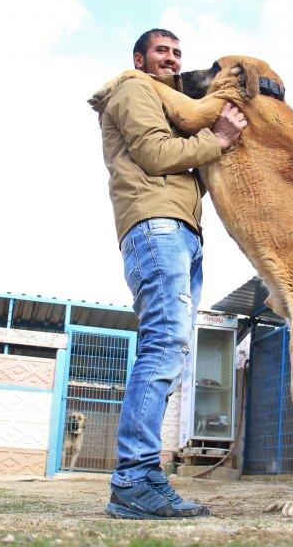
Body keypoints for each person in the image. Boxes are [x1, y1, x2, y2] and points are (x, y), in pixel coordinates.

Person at [92, 29, 246, 520]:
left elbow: (184, 163)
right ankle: (135, 479)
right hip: (156, 227)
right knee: (163, 346)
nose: (172, 59)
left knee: (171, 349)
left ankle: (144, 478)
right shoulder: (133, 89)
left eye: (178, 53)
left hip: (179, 231)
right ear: (139, 58)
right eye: (162, 51)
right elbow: (157, 156)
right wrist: (217, 138)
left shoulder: (168, 98)